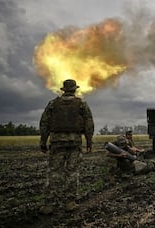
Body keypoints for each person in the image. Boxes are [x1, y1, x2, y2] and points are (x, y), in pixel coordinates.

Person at [39, 79, 94, 215]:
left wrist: (43, 141)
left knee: (54, 172)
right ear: (75, 90)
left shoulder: (53, 104)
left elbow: (44, 123)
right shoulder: (81, 104)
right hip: (74, 143)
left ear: (63, 90)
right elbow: (89, 124)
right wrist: (89, 141)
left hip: (57, 142)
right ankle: (69, 202)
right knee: (72, 172)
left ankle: (48, 205)